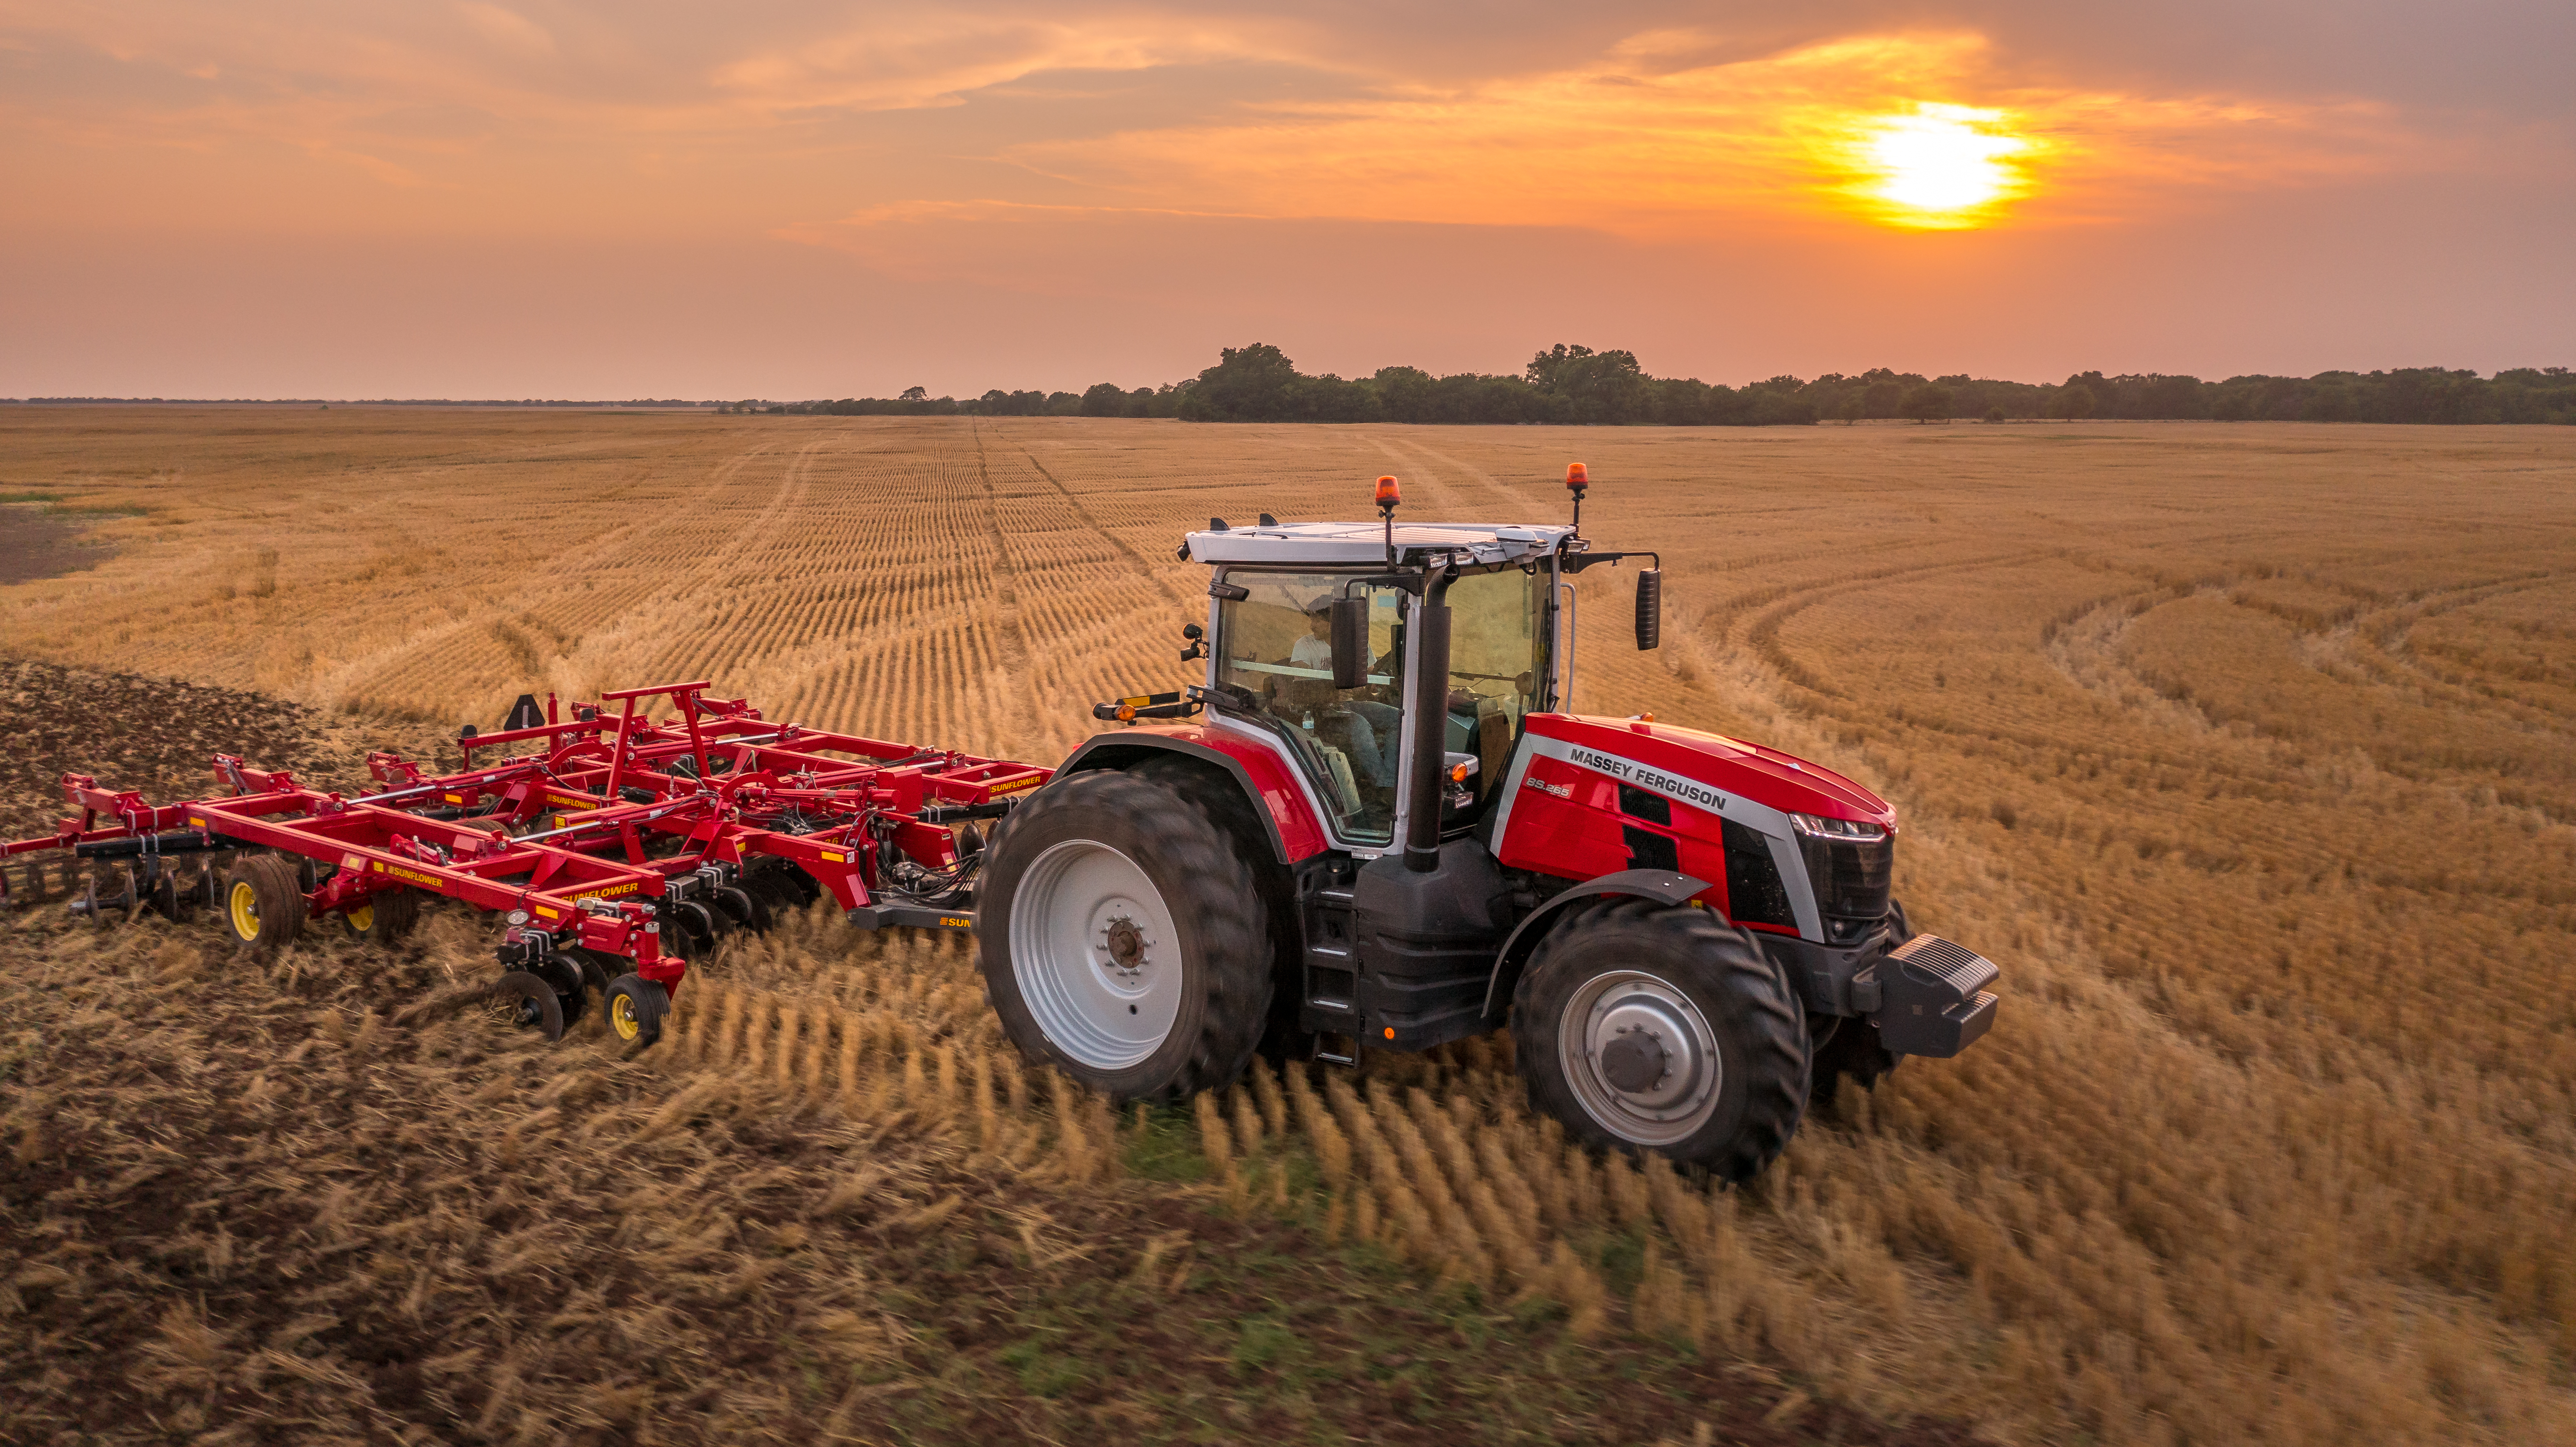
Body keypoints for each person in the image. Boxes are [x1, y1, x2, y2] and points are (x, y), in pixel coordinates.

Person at [1282, 597, 1404, 788]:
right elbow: (1301, 685)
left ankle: (1393, 777)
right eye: (1312, 618)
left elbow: (1369, 675)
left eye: (1316, 620)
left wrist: (1368, 685)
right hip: (1319, 710)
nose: (1312, 625)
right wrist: (1331, 694)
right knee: (1360, 725)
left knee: (1397, 718)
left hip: (1349, 703)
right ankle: (1384, 784)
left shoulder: (1356, 643)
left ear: (1333, 623)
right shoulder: (1305, 645)